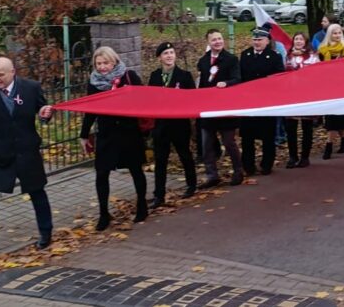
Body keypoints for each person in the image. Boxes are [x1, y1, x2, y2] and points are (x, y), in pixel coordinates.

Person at [0, 57, 55, 257]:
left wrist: (45, 115)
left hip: (26, 151)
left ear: (12, 72)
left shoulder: (31, 88)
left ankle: (46, 232)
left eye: (1, 75)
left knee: (36, 191)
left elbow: (43, 113)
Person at [80, 47, 148, 231]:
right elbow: (90, 110)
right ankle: (103, 213)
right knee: (102, 173)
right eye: (98, 63)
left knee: (136, 169)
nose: (102, 67)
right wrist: (84, 135)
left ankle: (142, 205)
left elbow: (144, 101)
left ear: (114, 62)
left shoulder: (129, 77)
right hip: (107, 134)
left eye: (105, 63)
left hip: (128, 132)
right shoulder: (94, 83)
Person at [147, 42, 197, 208]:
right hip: (161, 125)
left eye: (171, 52)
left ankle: (191, 184)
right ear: (159, 57)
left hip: (179, 124)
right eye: (165, 53)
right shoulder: (155, 76)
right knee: (160, 160)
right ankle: (158, 194)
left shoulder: (184, 76)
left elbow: (192, 99)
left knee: (185, 155)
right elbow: (150, 99)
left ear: (175, 55)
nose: (169, 56)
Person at [196, 28, 242, 188]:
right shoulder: (203, 61)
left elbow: (237, 79)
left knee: (229, 142)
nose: (218, 42)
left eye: (219, 38)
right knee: (207, 144)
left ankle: (238, 171)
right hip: (208, 109)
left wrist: (227, 84)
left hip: (225, 108)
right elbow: (201, 84)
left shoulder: (231, 59)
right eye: (214, 39)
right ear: (208, 42)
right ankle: (212, 175)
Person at [240, 28, 285, 175]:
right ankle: (248, 166)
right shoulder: (245, 55)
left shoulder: (274, 57)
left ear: (267, 41)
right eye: (255, 39)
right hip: (248, 101)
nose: (257, 42)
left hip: (266, 102)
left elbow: (279, 78)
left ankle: (267, 164)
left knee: (268, 135)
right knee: (247, 136)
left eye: (260, 40)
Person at [317, 23, 344, 157]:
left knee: (335, 118)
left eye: (339, 33)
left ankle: (329, 145)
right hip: (327, 87)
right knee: (332, 117)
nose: (337, 35)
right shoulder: (322, 50)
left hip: (341, 87)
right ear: (330, 35)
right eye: (335, 33)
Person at [284, 32, 319, 167]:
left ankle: (305, 156)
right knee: (290, 128)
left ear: (305, 41)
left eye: (301, 39)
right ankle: (293, 156)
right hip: (291, 96)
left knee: (307, 127)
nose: (298, 41)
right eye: (296, 39)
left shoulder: (312, 56)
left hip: (307, 96)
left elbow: (317, 74)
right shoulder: (288, 56)